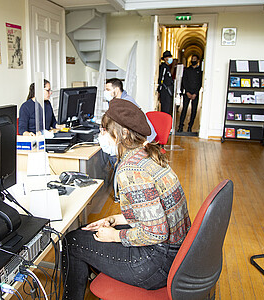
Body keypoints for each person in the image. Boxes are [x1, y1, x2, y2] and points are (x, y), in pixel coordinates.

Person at [62, 98, 191, 299]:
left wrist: (115, 236)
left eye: (105, 130)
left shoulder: (131, 171)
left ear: (123, 133)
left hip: (155, 264)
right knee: (84, 233)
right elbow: (152, 213)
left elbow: (156, 234)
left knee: (72, 241)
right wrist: (115, 220)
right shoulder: (149, 154)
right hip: (175, 255)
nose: (100, 135)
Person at [104, 78, 156, 142]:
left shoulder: (126, 102)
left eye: (108, 90)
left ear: (117, 89)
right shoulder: (119, 101)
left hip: (145, 138)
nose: (106, 92)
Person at [178, 55, 203, 132]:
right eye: (192, 59)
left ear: (198, 60)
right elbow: (184, 81)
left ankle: (190, 126)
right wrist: (187, 92)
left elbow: (199, 83)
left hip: (195, 93)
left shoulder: (200, 72)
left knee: (194, 110)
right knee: (184, 109)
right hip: (187, 93)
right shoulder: (187, 70)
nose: (193, 60)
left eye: (195, 59)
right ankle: (180, 126)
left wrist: (195, 93)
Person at [157, 51, 174, 116]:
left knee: (168, 108)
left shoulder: (167, 67)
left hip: (168, 91)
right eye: (168, 57)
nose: (170, 59)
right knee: (165, 109)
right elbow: (161, 78)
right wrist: (159, 90)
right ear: (165, 59)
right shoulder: (163, 67)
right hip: (165, 91)